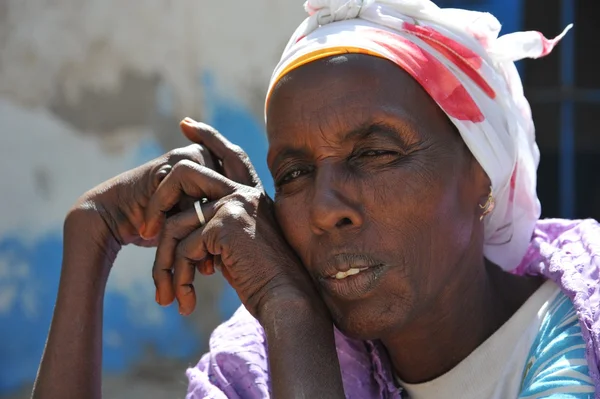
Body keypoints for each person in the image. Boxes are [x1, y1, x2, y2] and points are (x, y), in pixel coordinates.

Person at [31, 1, 600, 398]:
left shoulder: (579, 332)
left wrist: (296, 321)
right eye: (296, 172)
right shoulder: (254, 368)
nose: (326, 209)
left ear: (483, 175)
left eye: (375, 153)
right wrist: (91, 235)